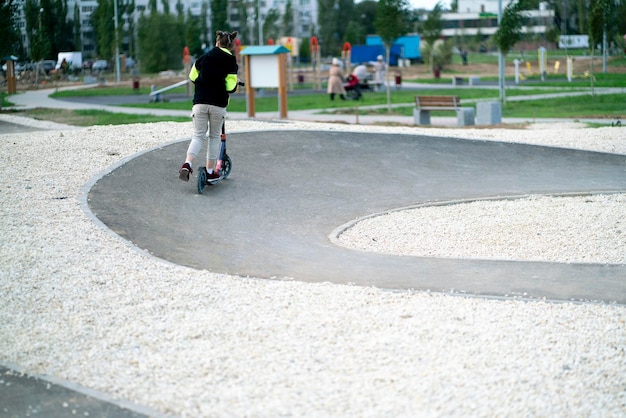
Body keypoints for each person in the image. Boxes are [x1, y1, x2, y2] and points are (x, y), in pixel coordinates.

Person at [179, 30, 240, 182]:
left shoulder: (203, 57)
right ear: (231, 45)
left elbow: (192, 77)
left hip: (199, 102)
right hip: (218, 104)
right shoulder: (231, 61)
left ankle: (187, 164)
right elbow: (230, 86)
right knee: (214, 137)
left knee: (198, 136)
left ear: (217, 42)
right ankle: (211, 171)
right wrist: (233, 83)